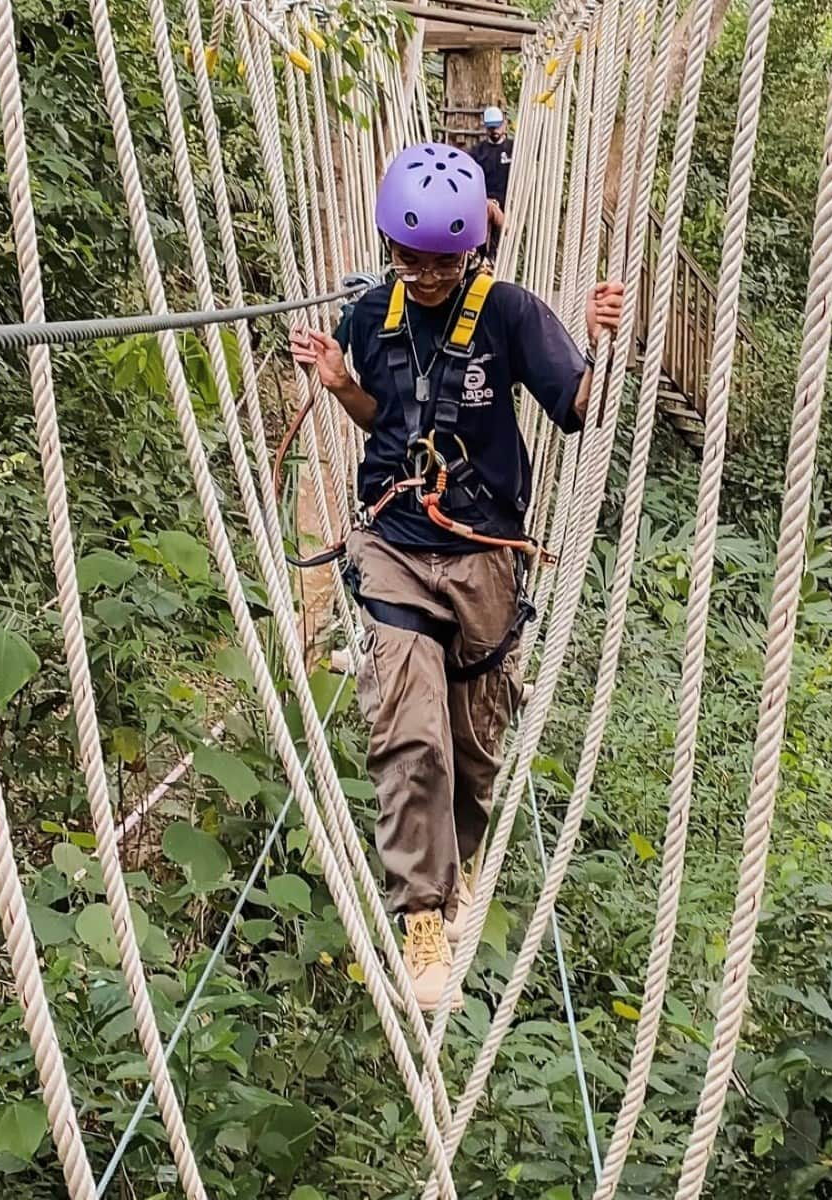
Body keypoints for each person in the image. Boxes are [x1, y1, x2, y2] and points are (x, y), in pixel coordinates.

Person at [290, 141, 623, 1011]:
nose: (426, 274)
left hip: (484, 555)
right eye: (409, 257)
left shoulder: (511, 313)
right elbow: (379, 414)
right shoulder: (371, 314)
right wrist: (338, 384)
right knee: (411, 730)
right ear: (389, 249)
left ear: (473, 246)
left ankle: (459, 859)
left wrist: (602, 345)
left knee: (474, 750)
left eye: (442, 258)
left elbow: (577, 404)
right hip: (396, 543)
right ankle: (422, 912)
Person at [469, 105, 513, 262]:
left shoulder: (513, 149)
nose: (495, 131)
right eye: (491, 127)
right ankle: (484, 259)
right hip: (485, 205)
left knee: (503, 239)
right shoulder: (477, 153)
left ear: (505, 124)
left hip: (508, 202)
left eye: (498, 126)